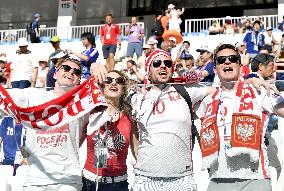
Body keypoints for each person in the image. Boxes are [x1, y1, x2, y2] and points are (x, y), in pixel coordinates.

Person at [0, 56, 109, 191]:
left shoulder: (83, 103)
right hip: (36, 177)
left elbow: (109, 97)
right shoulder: (33, 96)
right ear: (55, 73)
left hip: (69, 179)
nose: (71, 72)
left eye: (76, 72)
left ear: (79, 79)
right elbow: (5, 97)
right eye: (66, 68)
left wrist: (96, 66)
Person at [197, 43, 284, 191]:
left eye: (232, 58)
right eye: (221, 60)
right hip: (217, 181)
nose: (227, 62)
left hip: (255, 181)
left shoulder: (258, 90)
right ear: (215, 69)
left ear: (240, 64)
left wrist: (253, 82)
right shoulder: (207, 101)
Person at [82, 70, 133, 191]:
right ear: (102, 86)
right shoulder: (89, 112)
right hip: (90, 182)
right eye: (108, 80)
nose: (113, 84)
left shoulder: (130, 117)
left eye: (119, 81)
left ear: (123, 88)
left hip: (118, 183)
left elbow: (136, 150)